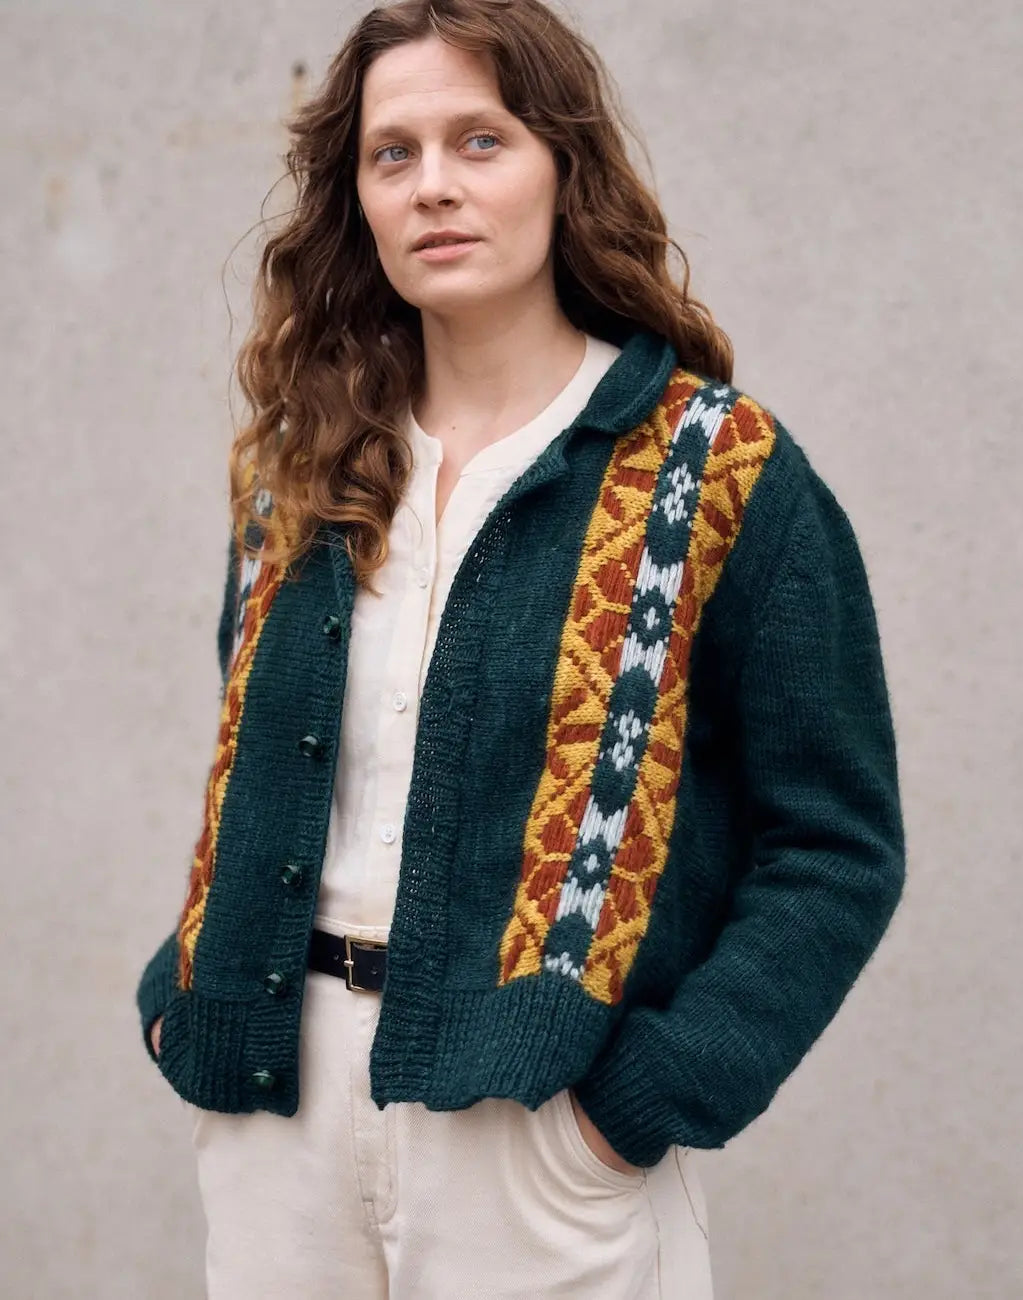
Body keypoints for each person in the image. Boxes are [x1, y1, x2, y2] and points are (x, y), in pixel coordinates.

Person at [134, 1, 906, 1295]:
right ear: (358, 197)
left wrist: (642, 1102)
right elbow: (256, 774)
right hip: (279, 1118)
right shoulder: (300, 476)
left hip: (536, 1142)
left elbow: (838, 843)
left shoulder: (714, 472)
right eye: (395, 153)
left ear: (562, 165)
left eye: (479, 140)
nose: (434, 184)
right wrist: (183, 985)